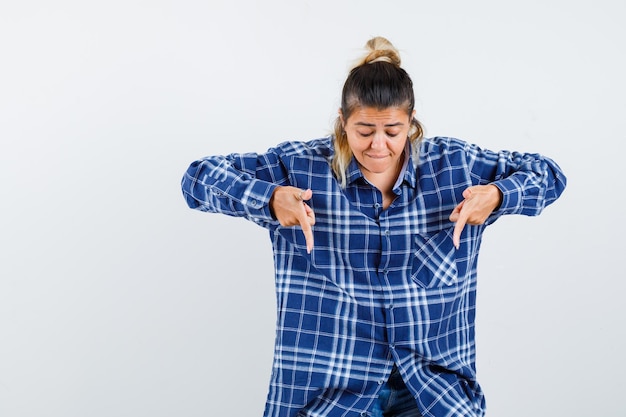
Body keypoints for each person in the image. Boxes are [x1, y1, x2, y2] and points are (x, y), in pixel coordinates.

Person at [181, 37, 566, 417]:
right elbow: (197, 179)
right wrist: (269, 198)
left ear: (410, 123)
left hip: (434, 390)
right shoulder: (298, 167)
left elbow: (547, 174)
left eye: (392, 132)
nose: (378, 145)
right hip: (329, 392)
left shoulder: (455, 166)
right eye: (364, 131)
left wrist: (498, 195)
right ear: (342, 121)